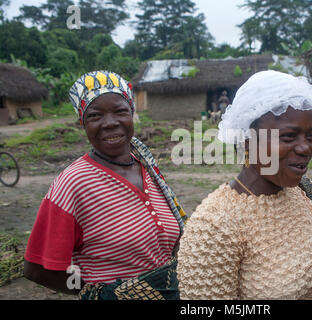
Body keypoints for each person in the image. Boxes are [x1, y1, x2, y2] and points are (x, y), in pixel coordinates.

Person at [176, 70, 312, 300]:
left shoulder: (305, 192)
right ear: (248, 143)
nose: (306, 148)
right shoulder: (214, 225)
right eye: (288, 137)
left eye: (311, 136)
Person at [23, 70, 188, 300]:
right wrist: (99, 294)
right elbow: (37, 268)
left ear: (132, 113)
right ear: (83, 122)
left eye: (120, 111)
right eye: (95, 115)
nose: (110, 123)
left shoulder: (148, 168)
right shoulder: (73, 183)